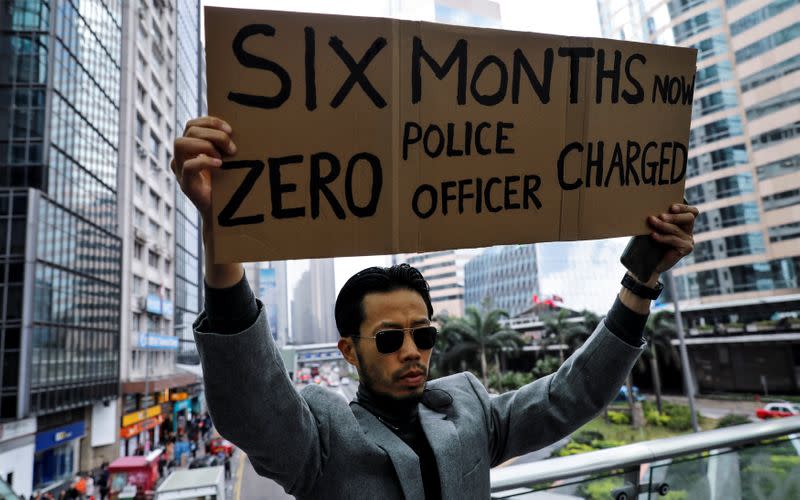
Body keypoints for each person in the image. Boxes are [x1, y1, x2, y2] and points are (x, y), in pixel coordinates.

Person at [172, 116, 698, 499]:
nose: (412, 351)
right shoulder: (321, 436)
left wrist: (641, 281)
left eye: (423, 334)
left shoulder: (468, 405)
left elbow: (571, 394)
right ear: (348, 351)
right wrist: (223, 235)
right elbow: (251, 404)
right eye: (388, 338)